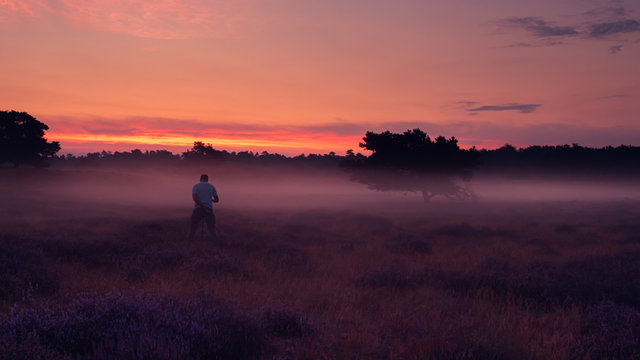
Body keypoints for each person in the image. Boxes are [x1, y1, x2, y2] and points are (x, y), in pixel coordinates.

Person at [187, 174, 219, 241]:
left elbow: (195, 198)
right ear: (207, 179)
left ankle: (188, 246)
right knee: (212, 229)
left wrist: (202, 206)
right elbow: (217, 200)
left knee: (192, 228)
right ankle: (216, 246)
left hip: (198, 209)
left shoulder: (196, 186)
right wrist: (210, 200)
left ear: (200, 179)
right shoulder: (211, 187)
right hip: (208, 209)